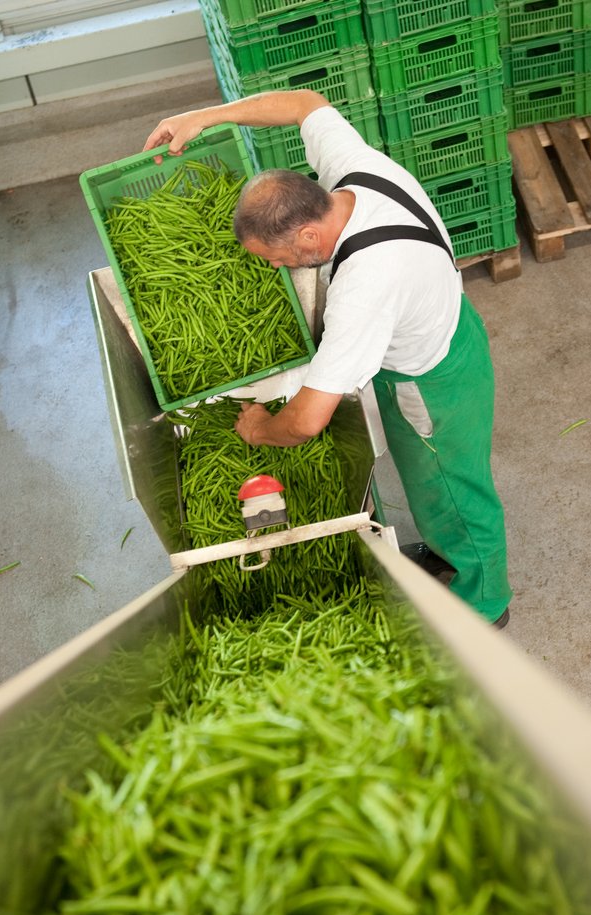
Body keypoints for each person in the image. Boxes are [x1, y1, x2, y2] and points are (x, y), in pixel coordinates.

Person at [143, 90, 511, 629]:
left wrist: (261, 429)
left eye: (276, 259)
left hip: (430, 378)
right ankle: (446, 552)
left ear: (309, 234)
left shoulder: (364, 287)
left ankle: (485, 605)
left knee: (454, 484)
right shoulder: (356, 174)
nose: (275, 270)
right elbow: (304, 103)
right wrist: (202, 116)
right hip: (441, 317)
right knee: (428, 479)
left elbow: (310, 421)